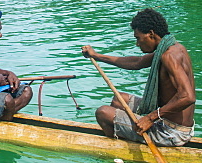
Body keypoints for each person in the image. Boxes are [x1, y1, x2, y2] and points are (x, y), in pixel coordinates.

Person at [82, 8, 195, 147]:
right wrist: (96, 56)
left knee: (102, 113)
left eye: (138, 38)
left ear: (151, 34)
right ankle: (128, 135)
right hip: (168, 121)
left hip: (172, 132)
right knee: (118, 100)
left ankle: (122, 149)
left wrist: (150, 118)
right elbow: (136, 62)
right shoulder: (173, 48)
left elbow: (188, 97)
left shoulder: (169, 56)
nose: (137, 43)